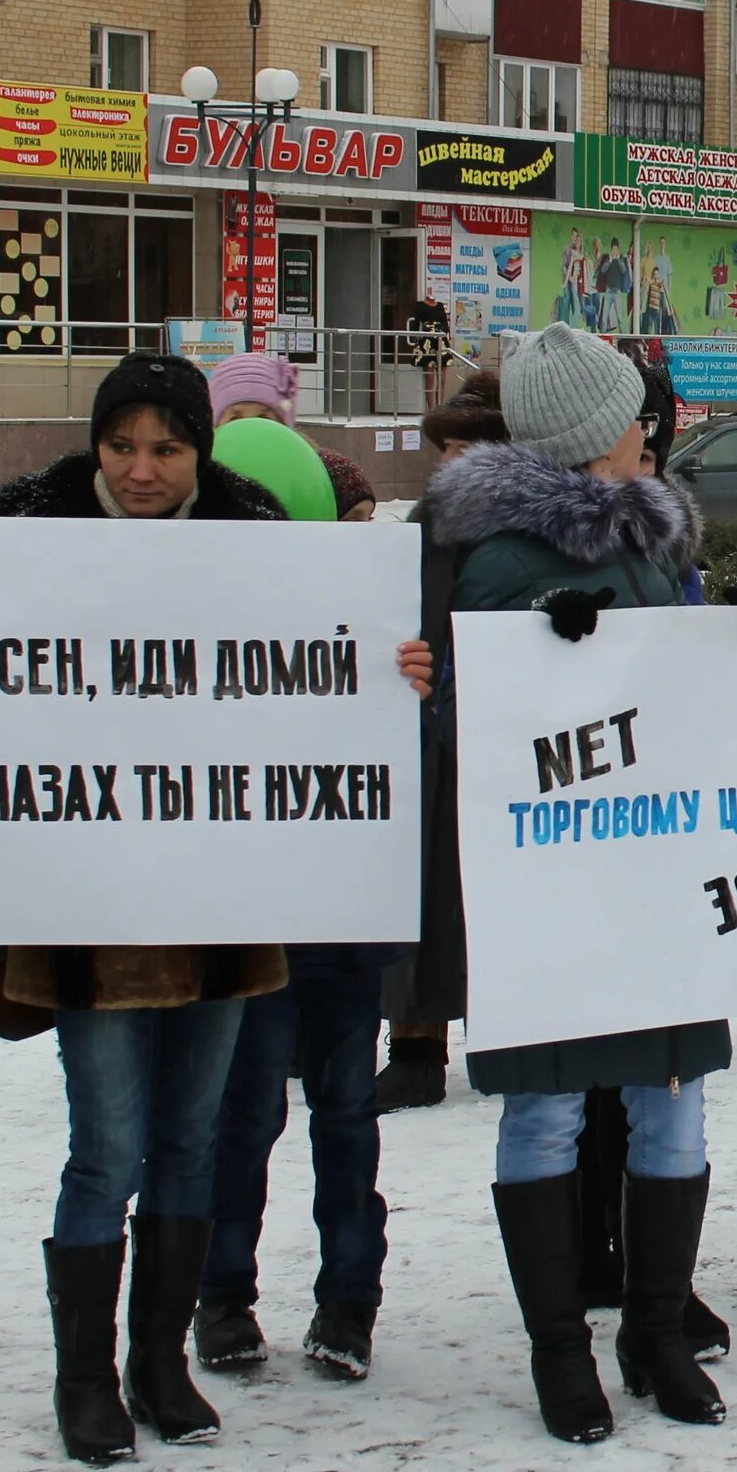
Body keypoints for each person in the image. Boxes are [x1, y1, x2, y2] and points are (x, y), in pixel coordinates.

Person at [0, 353, 432, 1465]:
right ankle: (84, 1377)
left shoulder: (269, 553)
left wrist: (392, 675)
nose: (142, 469)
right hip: (86, 922)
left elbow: (318, 691)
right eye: (123, 445)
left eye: (167, 447)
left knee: (192, 1140)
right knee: (108, 1145)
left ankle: (159, 1363)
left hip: (223, 912)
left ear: (201, 453)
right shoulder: (20, 544)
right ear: (97, 446)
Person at [423, 322, 737, 1439]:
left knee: (672, 1101)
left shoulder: (651, 531)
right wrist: (536, 647)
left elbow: (682, 681)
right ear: (593, 434)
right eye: (633, 413)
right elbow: (452, 714)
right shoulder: (486, 551)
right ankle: (559, 1350)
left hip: (658, 874)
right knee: (544, 1115)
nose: (650, 428)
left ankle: (653, 1328)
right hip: (552, 895)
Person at [193, 378, 400, 1381]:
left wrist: (418, 685)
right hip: (243, 907)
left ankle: (348, 1297)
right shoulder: (186, 613)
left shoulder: (370, 605)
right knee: (245, 1117)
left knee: (345, 1113)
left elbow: (419, 745)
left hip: (343, 910)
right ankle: (223, 1293)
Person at [376, 368, 507, 1116]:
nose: (454, 463)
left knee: (495, 894)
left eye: (471, 448)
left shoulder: (529, 525)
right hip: (425, 732)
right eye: (447, 448)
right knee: (420, 895)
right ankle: (416, 1047)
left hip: (503, 737)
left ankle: (503, 1036)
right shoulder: (422, 526)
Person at [207, 351, 377, 521]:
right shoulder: (202, 478)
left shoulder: (325, 472)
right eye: (235, 419)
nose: (251, 427)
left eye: (264, 418)